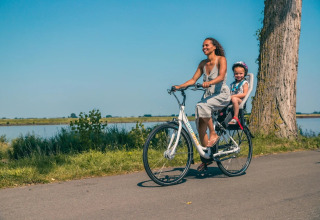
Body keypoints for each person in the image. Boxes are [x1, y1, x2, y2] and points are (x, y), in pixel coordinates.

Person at [173, 37, 230, 171]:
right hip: (208, 97)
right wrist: (179, 86)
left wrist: (209, 82)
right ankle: (207, 158)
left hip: (221, 94)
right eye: (203, 46)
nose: (204, 48)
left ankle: (213, 133)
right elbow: (193, 80)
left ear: (214, 46)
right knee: (200, 128)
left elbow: (221, 76)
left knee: (200, 106)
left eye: (207, 45)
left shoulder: (221, 60)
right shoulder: (203, 63)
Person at [228, 61, 249, 126]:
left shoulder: (244, 83)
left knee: (234, 99)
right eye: (236, 73)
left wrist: (234, 96)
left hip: (241, 101)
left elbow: (245, 94)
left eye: (241, 73)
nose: (238, 75)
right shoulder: (232, 84)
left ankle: (235, 117)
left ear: (244, 73)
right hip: (232, 100)